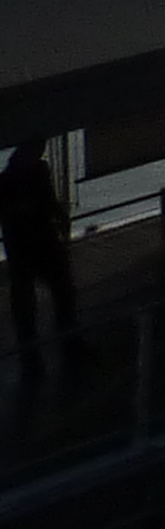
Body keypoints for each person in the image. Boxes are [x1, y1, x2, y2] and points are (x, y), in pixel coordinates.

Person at [2, 140, 76, 376]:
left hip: (32, 242)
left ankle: (42, 351)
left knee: (50, 293)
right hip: (29, 243)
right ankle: (43, 351)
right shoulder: (17, 177)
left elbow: (49, 201)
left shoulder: (27, 173)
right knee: (35, 298)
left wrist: (59, 216)